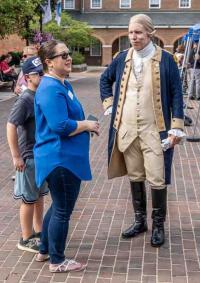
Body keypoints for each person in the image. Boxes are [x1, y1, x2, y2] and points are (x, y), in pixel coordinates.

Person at [100, 14, 184, 247]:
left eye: (138, 32)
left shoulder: (166, 60)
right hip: (127, 130)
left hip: (155, 131)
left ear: (150, 33)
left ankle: (158, 225)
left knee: (157, 177)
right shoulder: (121, 58)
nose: (133, 37)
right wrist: (108, 105)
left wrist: (176, 126)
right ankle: (140, 222)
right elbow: (105, 81)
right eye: (130, 32)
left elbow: (177, 93)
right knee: (136, 176)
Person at [34, 40, 100, 272]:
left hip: (65, 157)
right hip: (60, 159)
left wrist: (84, 126)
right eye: (63, 55)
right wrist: (86, 124)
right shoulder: (51, 88)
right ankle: (57, 260)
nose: (69, 58)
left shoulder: (62, 85)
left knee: (58, 206)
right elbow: (60, 125)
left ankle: (44, 249)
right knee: (63, 210)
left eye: (69, 53)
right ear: (49, 62)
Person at [7, 56, 48, 253]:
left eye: (42, 72)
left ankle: (39, 232)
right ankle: (26, 237)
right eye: (37, 74)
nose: (41, 75)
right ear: (28, 77)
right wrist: (16, 156)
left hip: (41, 155)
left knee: (39, 197)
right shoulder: (25, 99)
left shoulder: (39, 95)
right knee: (28, 199)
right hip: (29, 156)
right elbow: (11, 125)